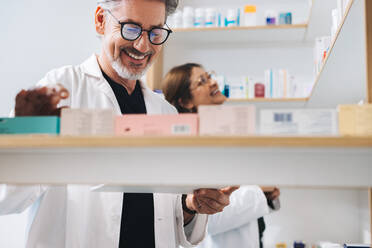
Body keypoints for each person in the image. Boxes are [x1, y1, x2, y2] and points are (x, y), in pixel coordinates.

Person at [0, 1, 239, 248]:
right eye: (131, 28)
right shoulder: (60, 88)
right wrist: (29, 141)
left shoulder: (165, 111)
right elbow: (5, 198)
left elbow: (170, 218)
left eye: (155, 32)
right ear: (101, 20)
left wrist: (190, 206)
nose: (143, 46)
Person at [162, 63, 281, 248]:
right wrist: (259, 190)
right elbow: (206, 218)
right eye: (202, 81)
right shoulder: (187, 150)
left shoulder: (222, 137)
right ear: (185, 102)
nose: (211, 83)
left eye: (209, 76)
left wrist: (267, 195)